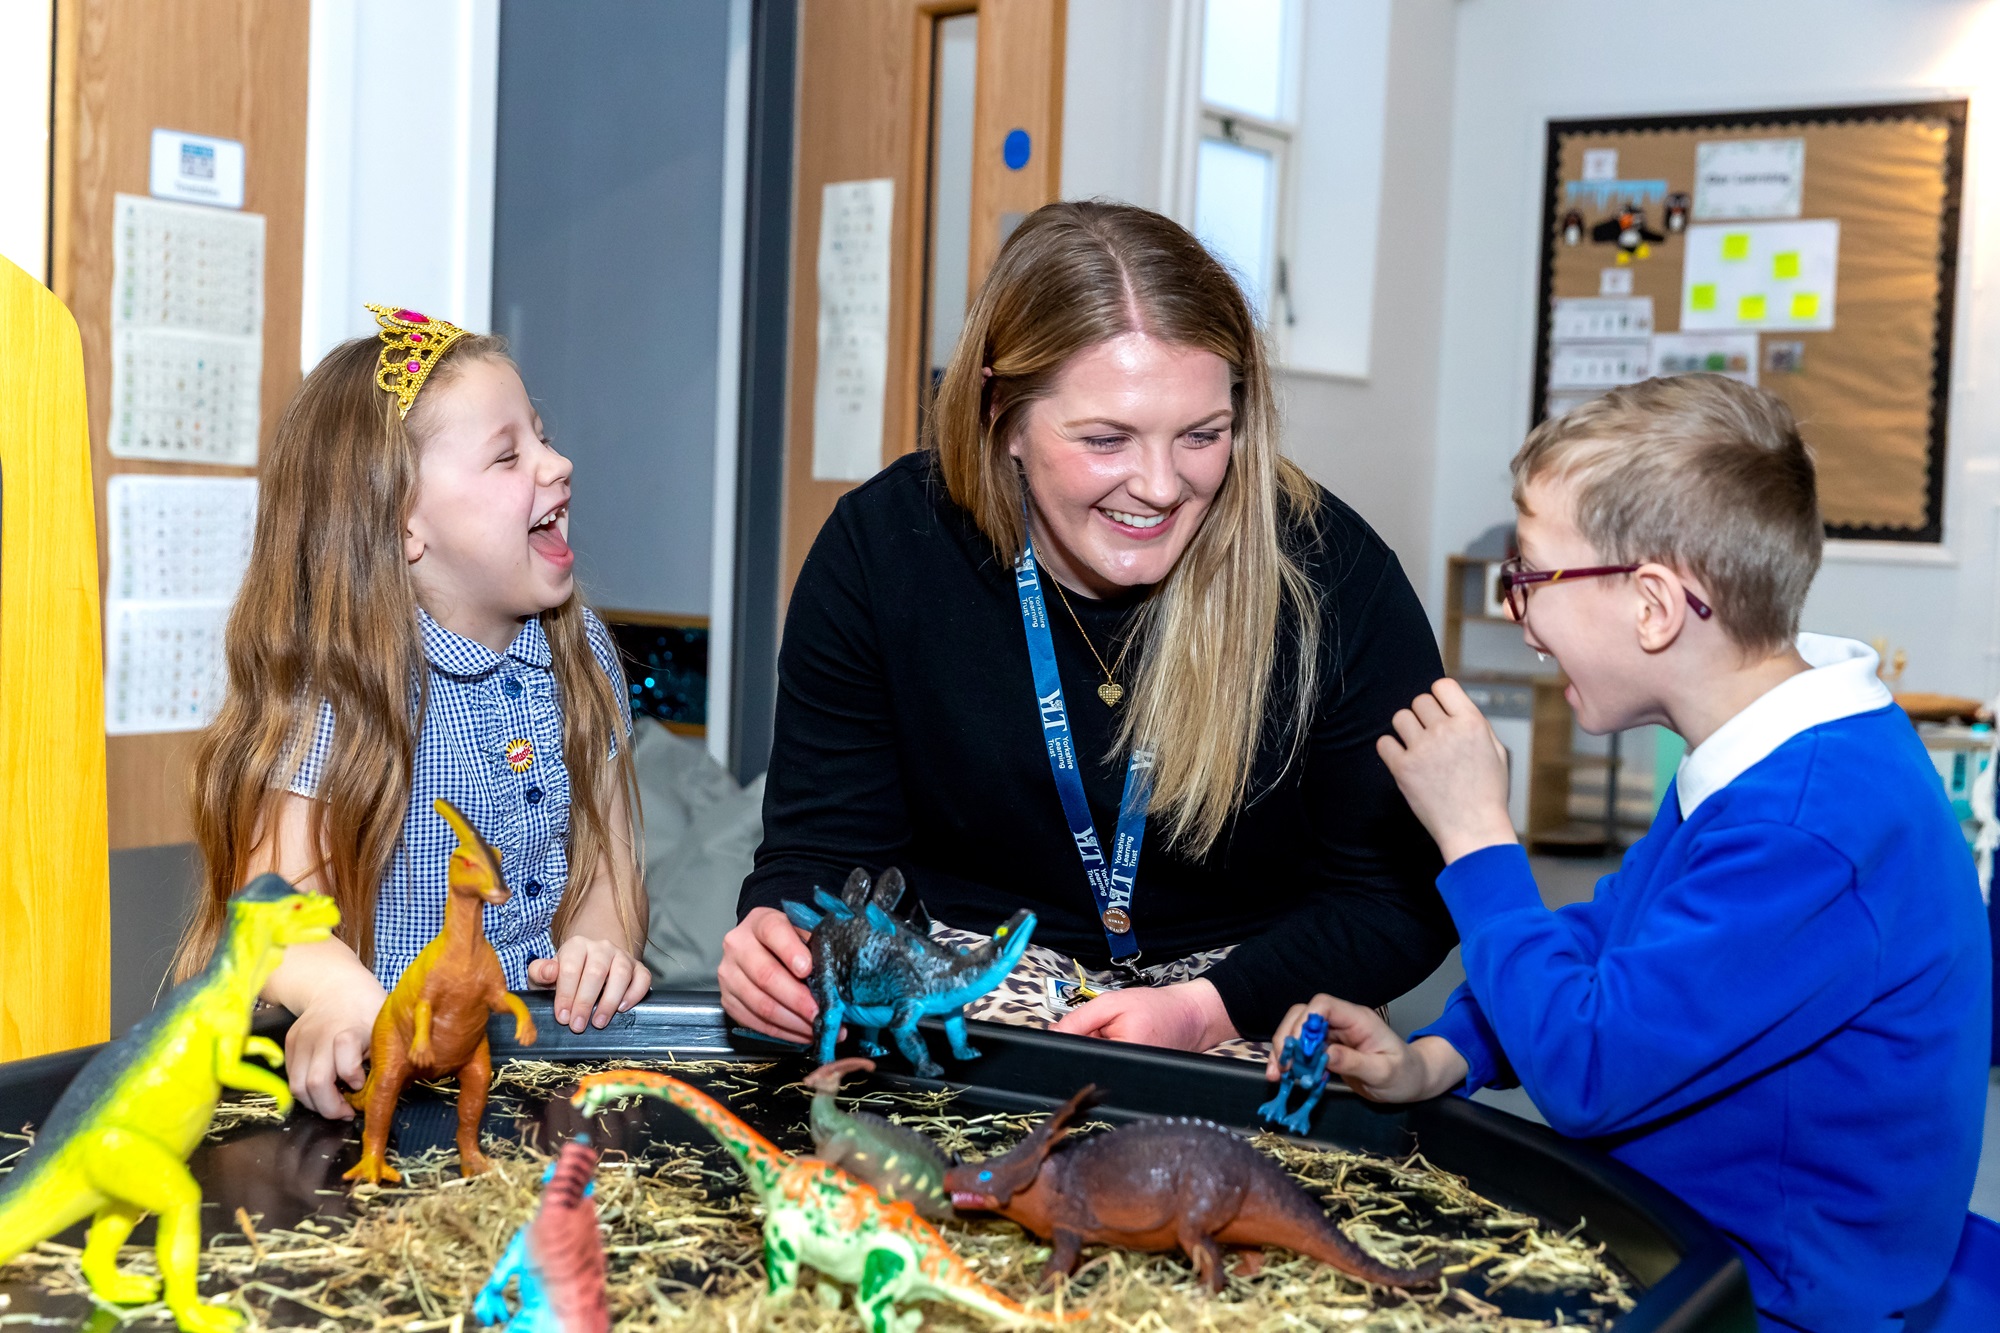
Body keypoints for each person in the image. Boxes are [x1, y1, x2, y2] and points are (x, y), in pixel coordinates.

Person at [1268, 375, 1990, 1330]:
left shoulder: (1807, 825)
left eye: (1529, 577)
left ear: (1653, 605)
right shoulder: (1773, 748)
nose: (1519, 614)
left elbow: (1589, 1068)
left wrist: (1478, 834)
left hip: (1763, 1290)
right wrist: (1444, 1054)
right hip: (1688, 1227)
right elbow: (1619, 941)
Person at [721, 202, 1455, 1058]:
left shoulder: (1334, 574)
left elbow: (1401, 897)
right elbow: (824, 850)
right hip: (974, 972)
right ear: (1003, 416)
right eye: (1106, 439)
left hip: (1252, 984)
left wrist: (1211, 1007)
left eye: (1202, 435)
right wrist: (779, 934)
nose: (1159, 485)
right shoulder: (881, 549)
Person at [169, 305, 652, 1120]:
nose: (558, 463)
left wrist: (602, 943)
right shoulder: (338, 693)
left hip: (526, 1086)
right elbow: (270, 904)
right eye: (509, 454)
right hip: (370, 1106)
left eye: (542, 434)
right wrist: (337, 997)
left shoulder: (583, 652)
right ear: (403, 524)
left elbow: (614, 861)